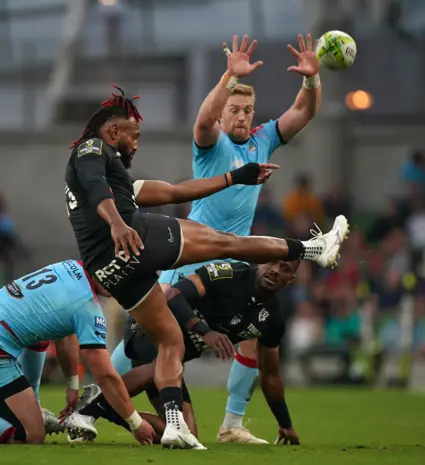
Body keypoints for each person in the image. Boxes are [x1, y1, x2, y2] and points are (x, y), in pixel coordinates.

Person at [65, 77, 346, 448]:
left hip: (114, 267)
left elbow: (175, 191)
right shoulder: (91, 150)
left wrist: (234, 178)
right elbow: (97, 189)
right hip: (132, 238)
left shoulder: (118, 177)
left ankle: (166, 423)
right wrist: (117, 223)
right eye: (134, 135)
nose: (137, 142)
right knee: (225, 244)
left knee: (170, 342)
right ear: (114, 129)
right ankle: (311, 250)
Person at [110, 33, 324, 444]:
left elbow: (302, 112)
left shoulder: (262, 140)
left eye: (247, 109)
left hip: (236, 262)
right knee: (150, 340)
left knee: (254, 330)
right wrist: (229, 77)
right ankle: (101, 391)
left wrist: (312, 80)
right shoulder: (212, 145)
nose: (242, 115)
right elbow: (203, 121)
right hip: (189, 259)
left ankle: (232, 423)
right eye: (235, 109)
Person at [0, 260, 156, 446]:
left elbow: (61, 333)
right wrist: (134, 422)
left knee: (40, 338)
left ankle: (32, 408)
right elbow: (106, 375)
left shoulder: (71, 267)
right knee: (32, 435)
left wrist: (72, 386)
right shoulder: (87, 308)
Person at [68, 259, 302, 446]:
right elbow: (173, 295)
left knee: (187, 435)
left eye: (284, 269)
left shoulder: (272, 319)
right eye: (271, 262)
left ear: (291, 279)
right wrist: (204, 331)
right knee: (166, 360)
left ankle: (106, 407)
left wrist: (286, 424)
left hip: (173, 359)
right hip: (149, 325)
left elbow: (270, 375)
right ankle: (97, 404)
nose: (274, 270)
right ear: (261, 261)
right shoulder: (231, 273)